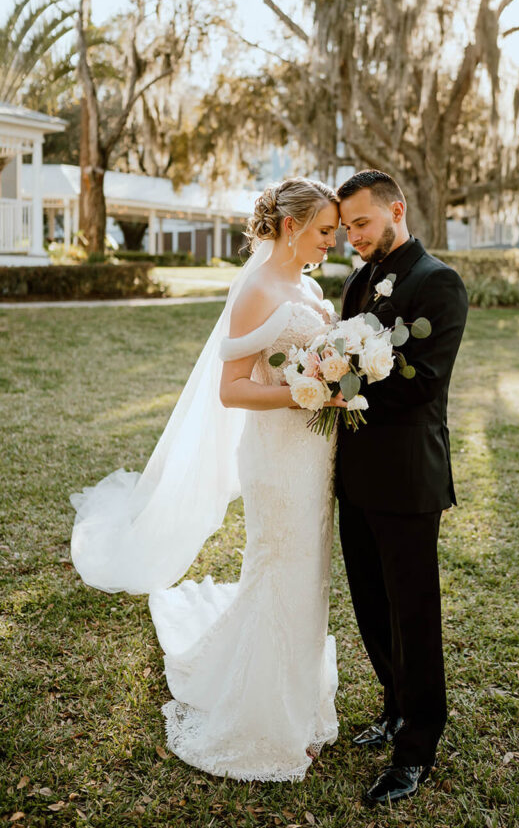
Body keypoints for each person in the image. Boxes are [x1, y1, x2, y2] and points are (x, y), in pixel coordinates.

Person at [70, 177, 345, 781]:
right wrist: (305, 395)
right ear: (293, 226)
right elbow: (232, 387)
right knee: (281, 567)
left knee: (309, 572)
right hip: (276, 454)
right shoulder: (255, 288)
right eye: (326, 230)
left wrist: (329, 382)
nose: (334, 241)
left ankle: (299, 701)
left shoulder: (310, 285)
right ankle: (267, 716)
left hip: (313, 453)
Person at [336, 169, 468, 806]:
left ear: (395, 209)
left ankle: (417, 747)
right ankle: (393, 708)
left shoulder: (438, 282)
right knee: (370, 602)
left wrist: (345, 384)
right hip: (356, 472)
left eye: (361, 223)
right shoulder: (358, 279)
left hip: (408, 475)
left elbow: (423, 383)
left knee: (413, 614)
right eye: (348, 228)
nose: (353, 237)